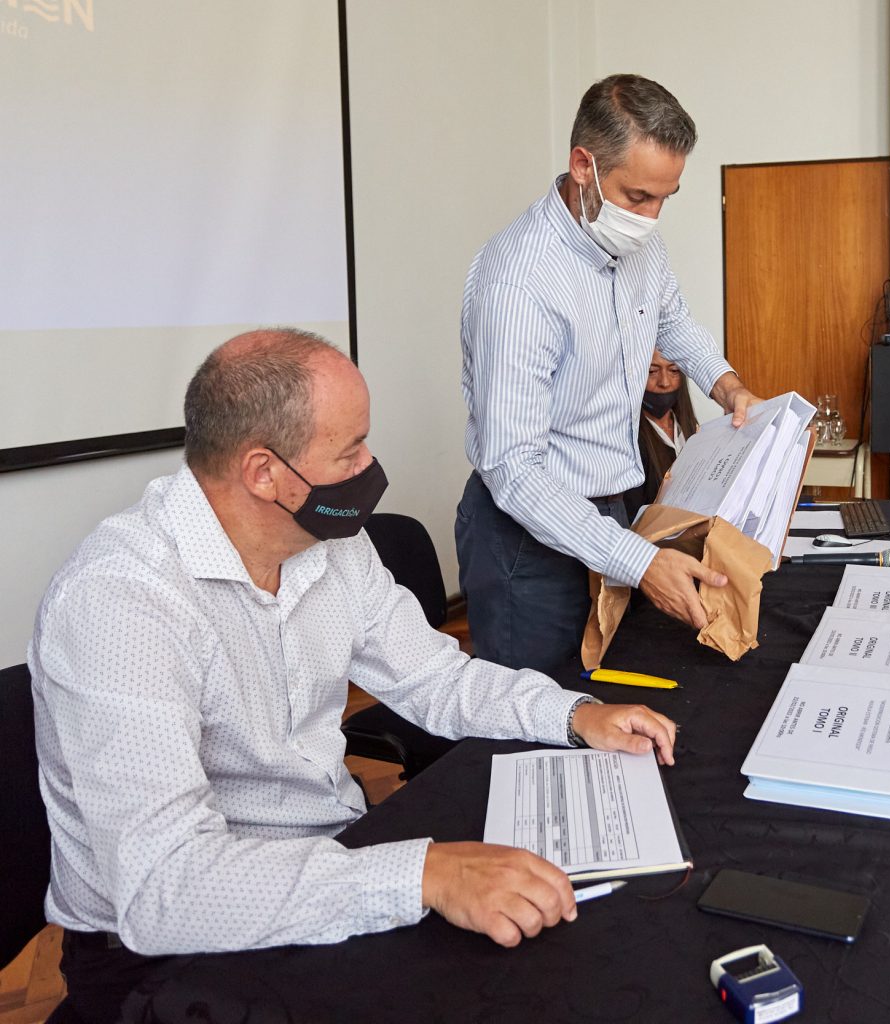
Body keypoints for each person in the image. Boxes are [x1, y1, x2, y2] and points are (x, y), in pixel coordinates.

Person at [29, 329, 678, 1021]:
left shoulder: (327, 541)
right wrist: (425, 874)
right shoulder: (120, 603)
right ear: (263, 472)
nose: (370, 466)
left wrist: (571, 714)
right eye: (350, 451)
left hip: (333, 859)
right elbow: (165, 890)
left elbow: (433, 676)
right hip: (168, 957)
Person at [457, 73, 760, 674]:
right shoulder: (519, 283)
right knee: (536, 706)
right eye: (638, 197)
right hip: (526, 539)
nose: (651, 217)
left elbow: (671, 319)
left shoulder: (640, 242)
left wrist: (726, 385)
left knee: (608, 688)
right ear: (583, 166)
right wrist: (640, 563)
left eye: (666, 198)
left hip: (611, 509)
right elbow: (513, 469)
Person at [624, 349, 700, 519]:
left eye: (674, 370)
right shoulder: (628, 438)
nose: (664, 382)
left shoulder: (692, 429)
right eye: (652, 371)